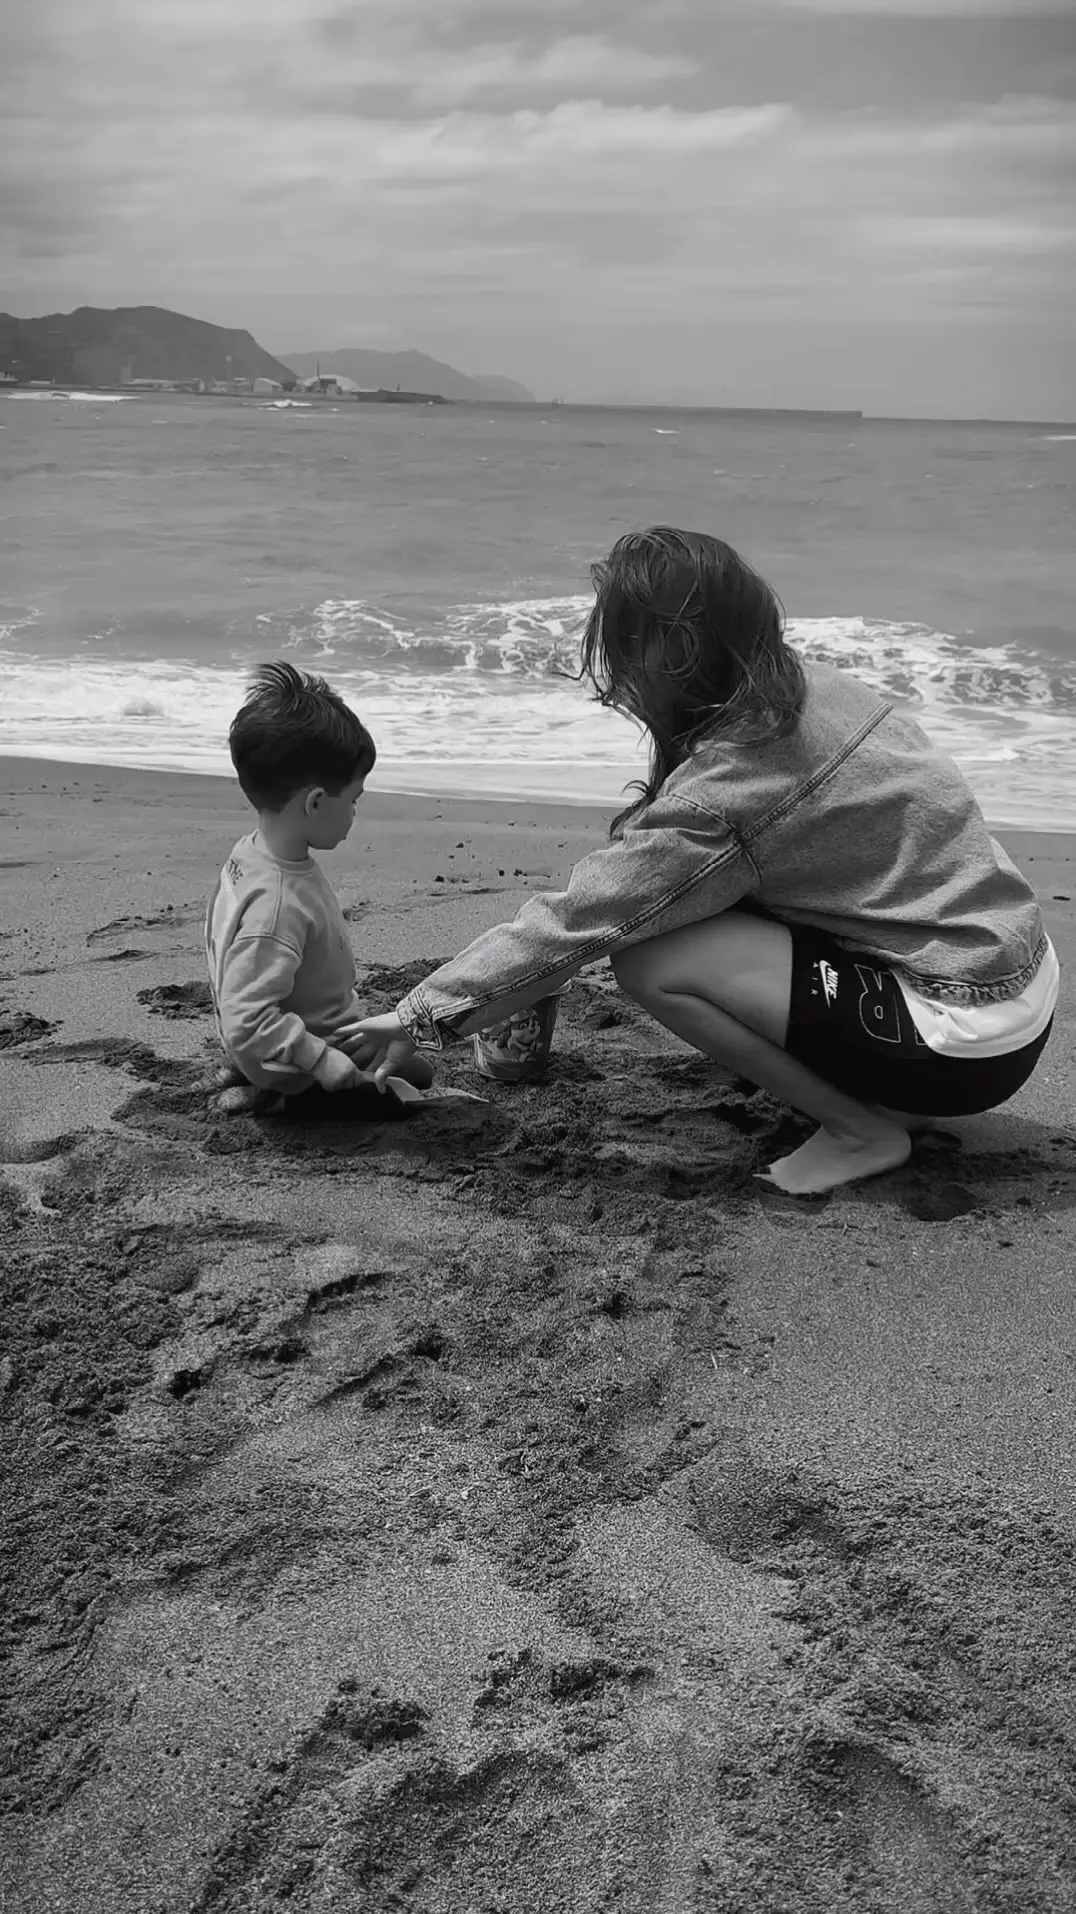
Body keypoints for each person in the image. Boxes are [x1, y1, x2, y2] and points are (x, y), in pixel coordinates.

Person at [338, 529, 1058, 1195]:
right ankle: (875, 1094)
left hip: (959, 1039)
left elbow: (586, 918)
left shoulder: (736, 785)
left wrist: (416, 1017)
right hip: (1016, 977)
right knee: (698, 904)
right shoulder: (812, 688)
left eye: (621, 646)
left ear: (673, 654)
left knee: (652, 961)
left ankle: (860, 1129)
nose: (615, 673)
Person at [205, 661, 434, 1113]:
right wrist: (321, 1058)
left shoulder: (253, 853)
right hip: (301, 1042)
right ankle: (278, 1094)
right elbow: (246, 1015)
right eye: (353, 800)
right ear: (314, 803)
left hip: (283, 1023)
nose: (354, 813)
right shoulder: (277, 905)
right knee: (415, 1077)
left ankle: (256, 1070)